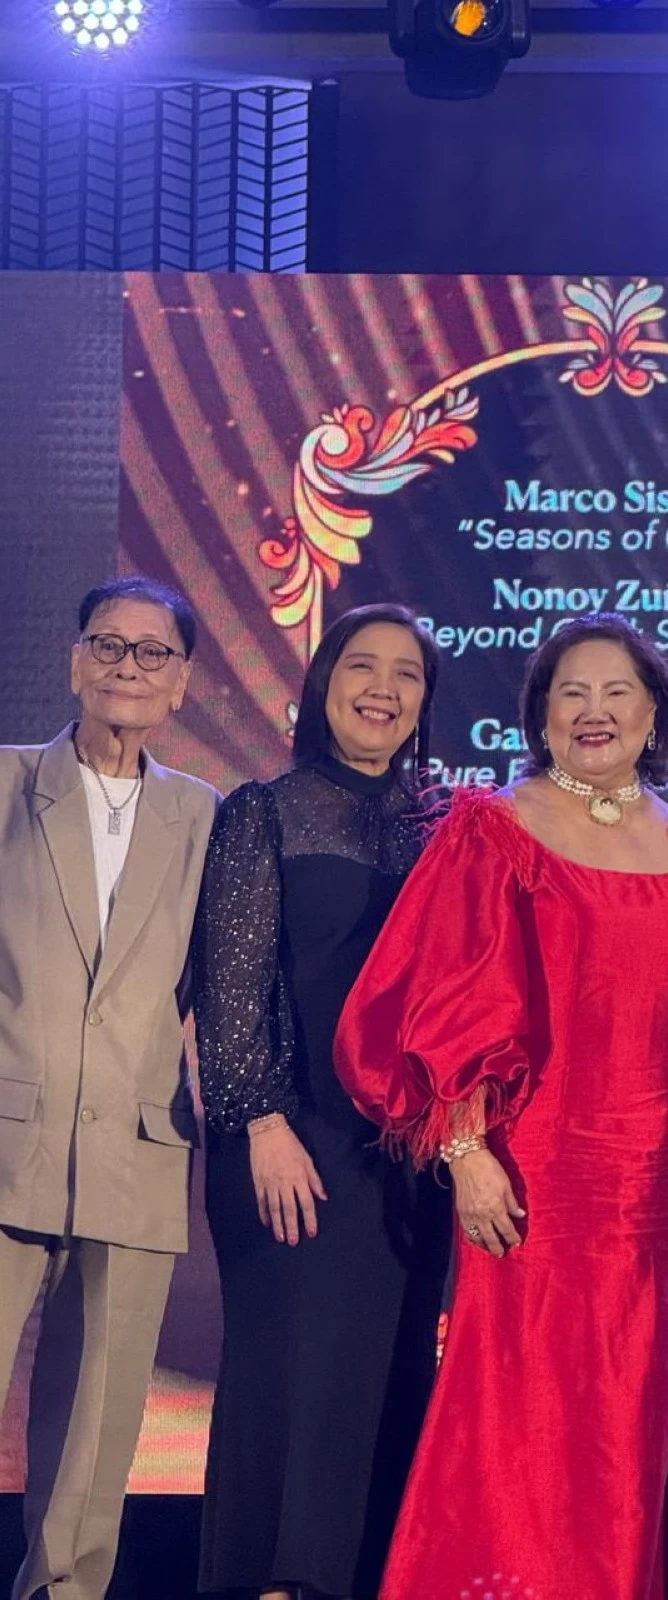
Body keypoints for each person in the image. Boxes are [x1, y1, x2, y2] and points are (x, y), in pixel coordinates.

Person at [334, 614, 668, 1600]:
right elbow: (446, 995)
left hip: (647, 1197)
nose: (595, 710)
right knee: (525, 1414)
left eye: (617, 693)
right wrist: (467, 1150)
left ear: (654, 715)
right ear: (542, 716)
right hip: (530, 1183)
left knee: (631, 1411)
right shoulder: (496, 827)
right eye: (572, 692)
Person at [192, 603, 453, 1600]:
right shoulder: (266, 808)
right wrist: (261, 1124)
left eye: (407, 674)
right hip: (287, 1144)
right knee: (288, 1382)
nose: (382, 688)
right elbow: (230, 986)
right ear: (323, 682)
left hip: (405, 1158)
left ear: (426, 700)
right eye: (361, 665)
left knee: (385, 1384)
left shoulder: (444, 823)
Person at [0, 576, 217, 1600]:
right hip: (8, 1135)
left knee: (96, 1431)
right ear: (76, 661)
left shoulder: (203, 815)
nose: (128, 667)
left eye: (152, 653)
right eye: (109, 646)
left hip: (137, 1146)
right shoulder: (4, 786)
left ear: (181, 682)